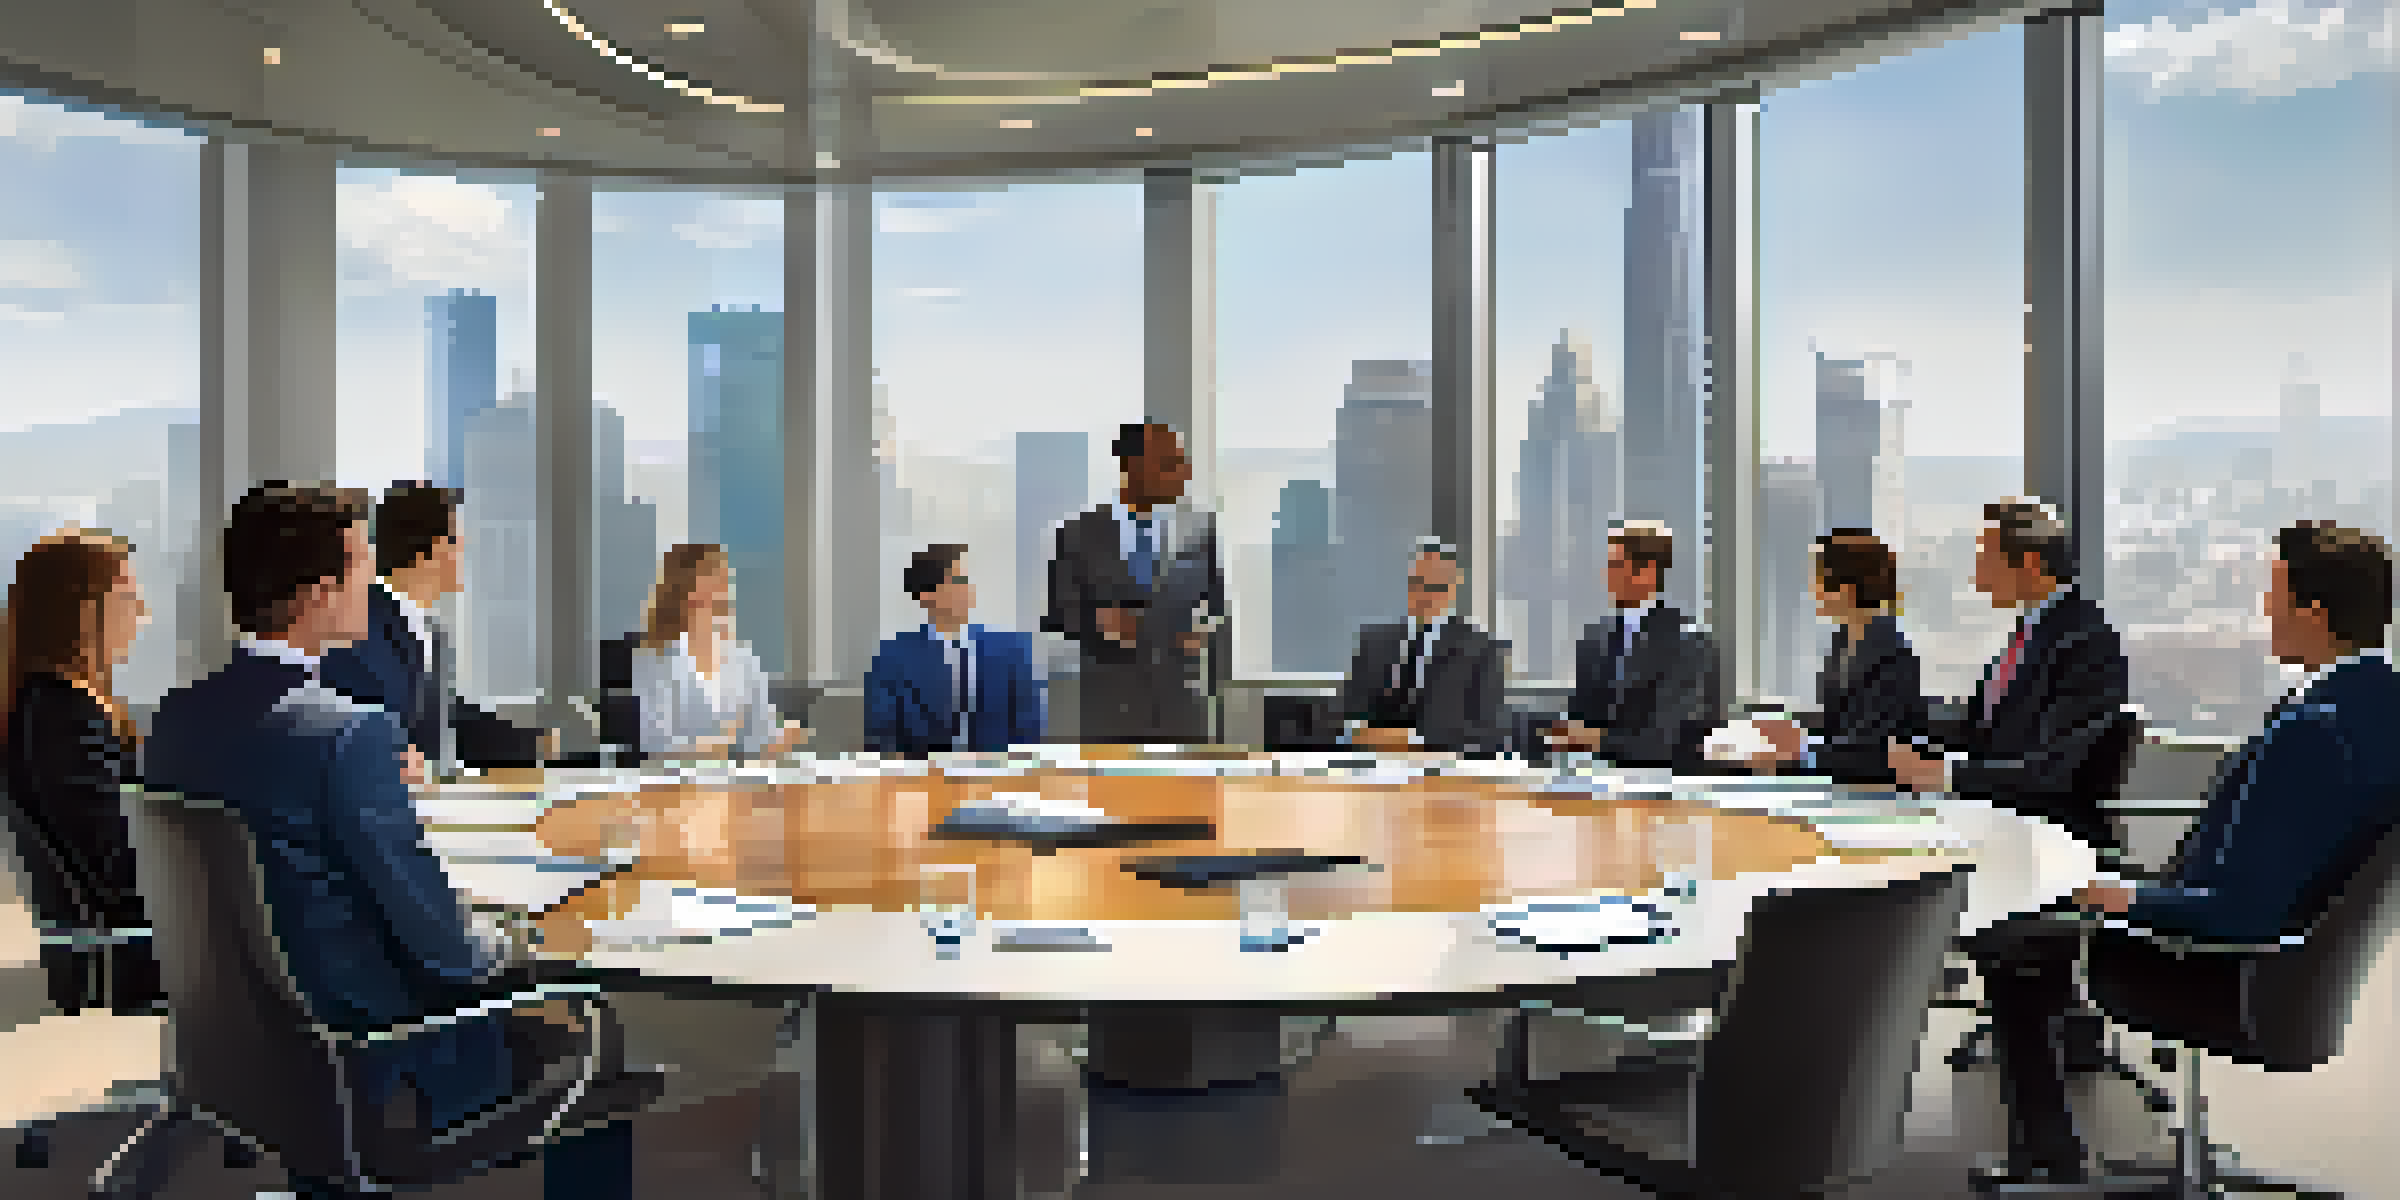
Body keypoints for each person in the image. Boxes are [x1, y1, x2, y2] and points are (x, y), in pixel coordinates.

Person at [142, 482, 639, 1200]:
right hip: (367, 1057)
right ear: (318, 594)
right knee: (598, 1040)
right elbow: (446, 949)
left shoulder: (176, 720)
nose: (371, 585)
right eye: (359, 569)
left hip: (239, 1057)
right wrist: (516, 945)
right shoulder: (348, 735)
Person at [1882, 498, 2130, 1187]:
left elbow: (2055, 770)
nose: (1977, 571)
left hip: (2053, 844)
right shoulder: (2030, 633)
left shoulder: (2084, 639)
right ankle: (2046, 1151)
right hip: (2013, 832)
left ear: (2029, 562)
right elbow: (1984, 729)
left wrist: (1949, 773)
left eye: (1987, 556)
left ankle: (2049, 1154)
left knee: (2014, 970)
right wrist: (1915, 747)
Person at [2072, 521, 2400, 942]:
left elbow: (2241, 914)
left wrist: (2124, 900)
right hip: (2310, 975)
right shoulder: (2380, 707)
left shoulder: (2312, 734)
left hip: (2205, 971)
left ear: (2314, 615)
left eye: (2275, 595)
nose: (2265, 609)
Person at [2, 526, 162, 1014]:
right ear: (82, 610)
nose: (143, 615)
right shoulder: (65, 720)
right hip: (134, 951)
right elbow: (120, 865)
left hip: (126, 938)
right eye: (129, 597)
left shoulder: (51, 708)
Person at [320, 482, 556, 773]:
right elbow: (367, 722)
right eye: (457, 540)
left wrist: (529, 744)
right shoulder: (357, 626)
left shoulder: (430, 632)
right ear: (432, 548)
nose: (464, 551)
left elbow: (443, 715)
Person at [1044, 421, 1224, 743]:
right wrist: (1098, 623)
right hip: (1111, 714)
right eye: (1170, 465)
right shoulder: (1077, 535)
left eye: (1183, 464)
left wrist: (1206, 634)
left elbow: (1218, 607)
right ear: (1133, 467)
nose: (1184, 474)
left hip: (1183, 713)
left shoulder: (1198, 533)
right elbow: (1058, 614)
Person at [1744, 529, 1930, 783]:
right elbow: (1838, 729)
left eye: (1819, 580)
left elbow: (1871, 751)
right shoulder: (1843, 641)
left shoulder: (1893, 655)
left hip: (1879, 794)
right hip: (1841, 783)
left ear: (1846, 589)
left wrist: (1801, 750)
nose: (1813, 590)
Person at [1547, 520, 1722, 767]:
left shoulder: (1688, 642)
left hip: (1665, 785)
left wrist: (1597, 741)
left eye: (1616, 565)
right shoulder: (1594, 639)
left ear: (1647, 573)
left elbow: (1669, 737)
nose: (1606, 574)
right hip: (1594, 780)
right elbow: (1580, 722)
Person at [630, 542, 810, 761]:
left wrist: (783, 737)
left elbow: (762, 733)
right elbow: (657, 744)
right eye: (714, 574)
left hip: (742, 787)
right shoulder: (654, 659)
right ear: (686, 587)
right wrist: (729, 746)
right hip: (679, 788)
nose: (725, 583)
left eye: (724, 575)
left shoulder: (742, 658)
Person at [864, 544, 1045, 756]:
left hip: (999, 778)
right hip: (922, 781)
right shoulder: (891, 658)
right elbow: (882, 738)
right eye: (958, 581)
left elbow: (1029, 730)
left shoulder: (1012, 650)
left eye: (967, 580)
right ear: (927, 595)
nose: (968, 588)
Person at [1336, 538, 1508, 755]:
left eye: (1436, 587)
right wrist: (1357, 733)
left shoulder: (1481, 650)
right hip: (1371, 764)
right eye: (1418, 584)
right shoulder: (1374, 643)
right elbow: (1345, 712)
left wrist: (1411, 740)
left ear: (1452, 590)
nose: (1425, 595)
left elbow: (1488, 732)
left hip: (1441, 769)